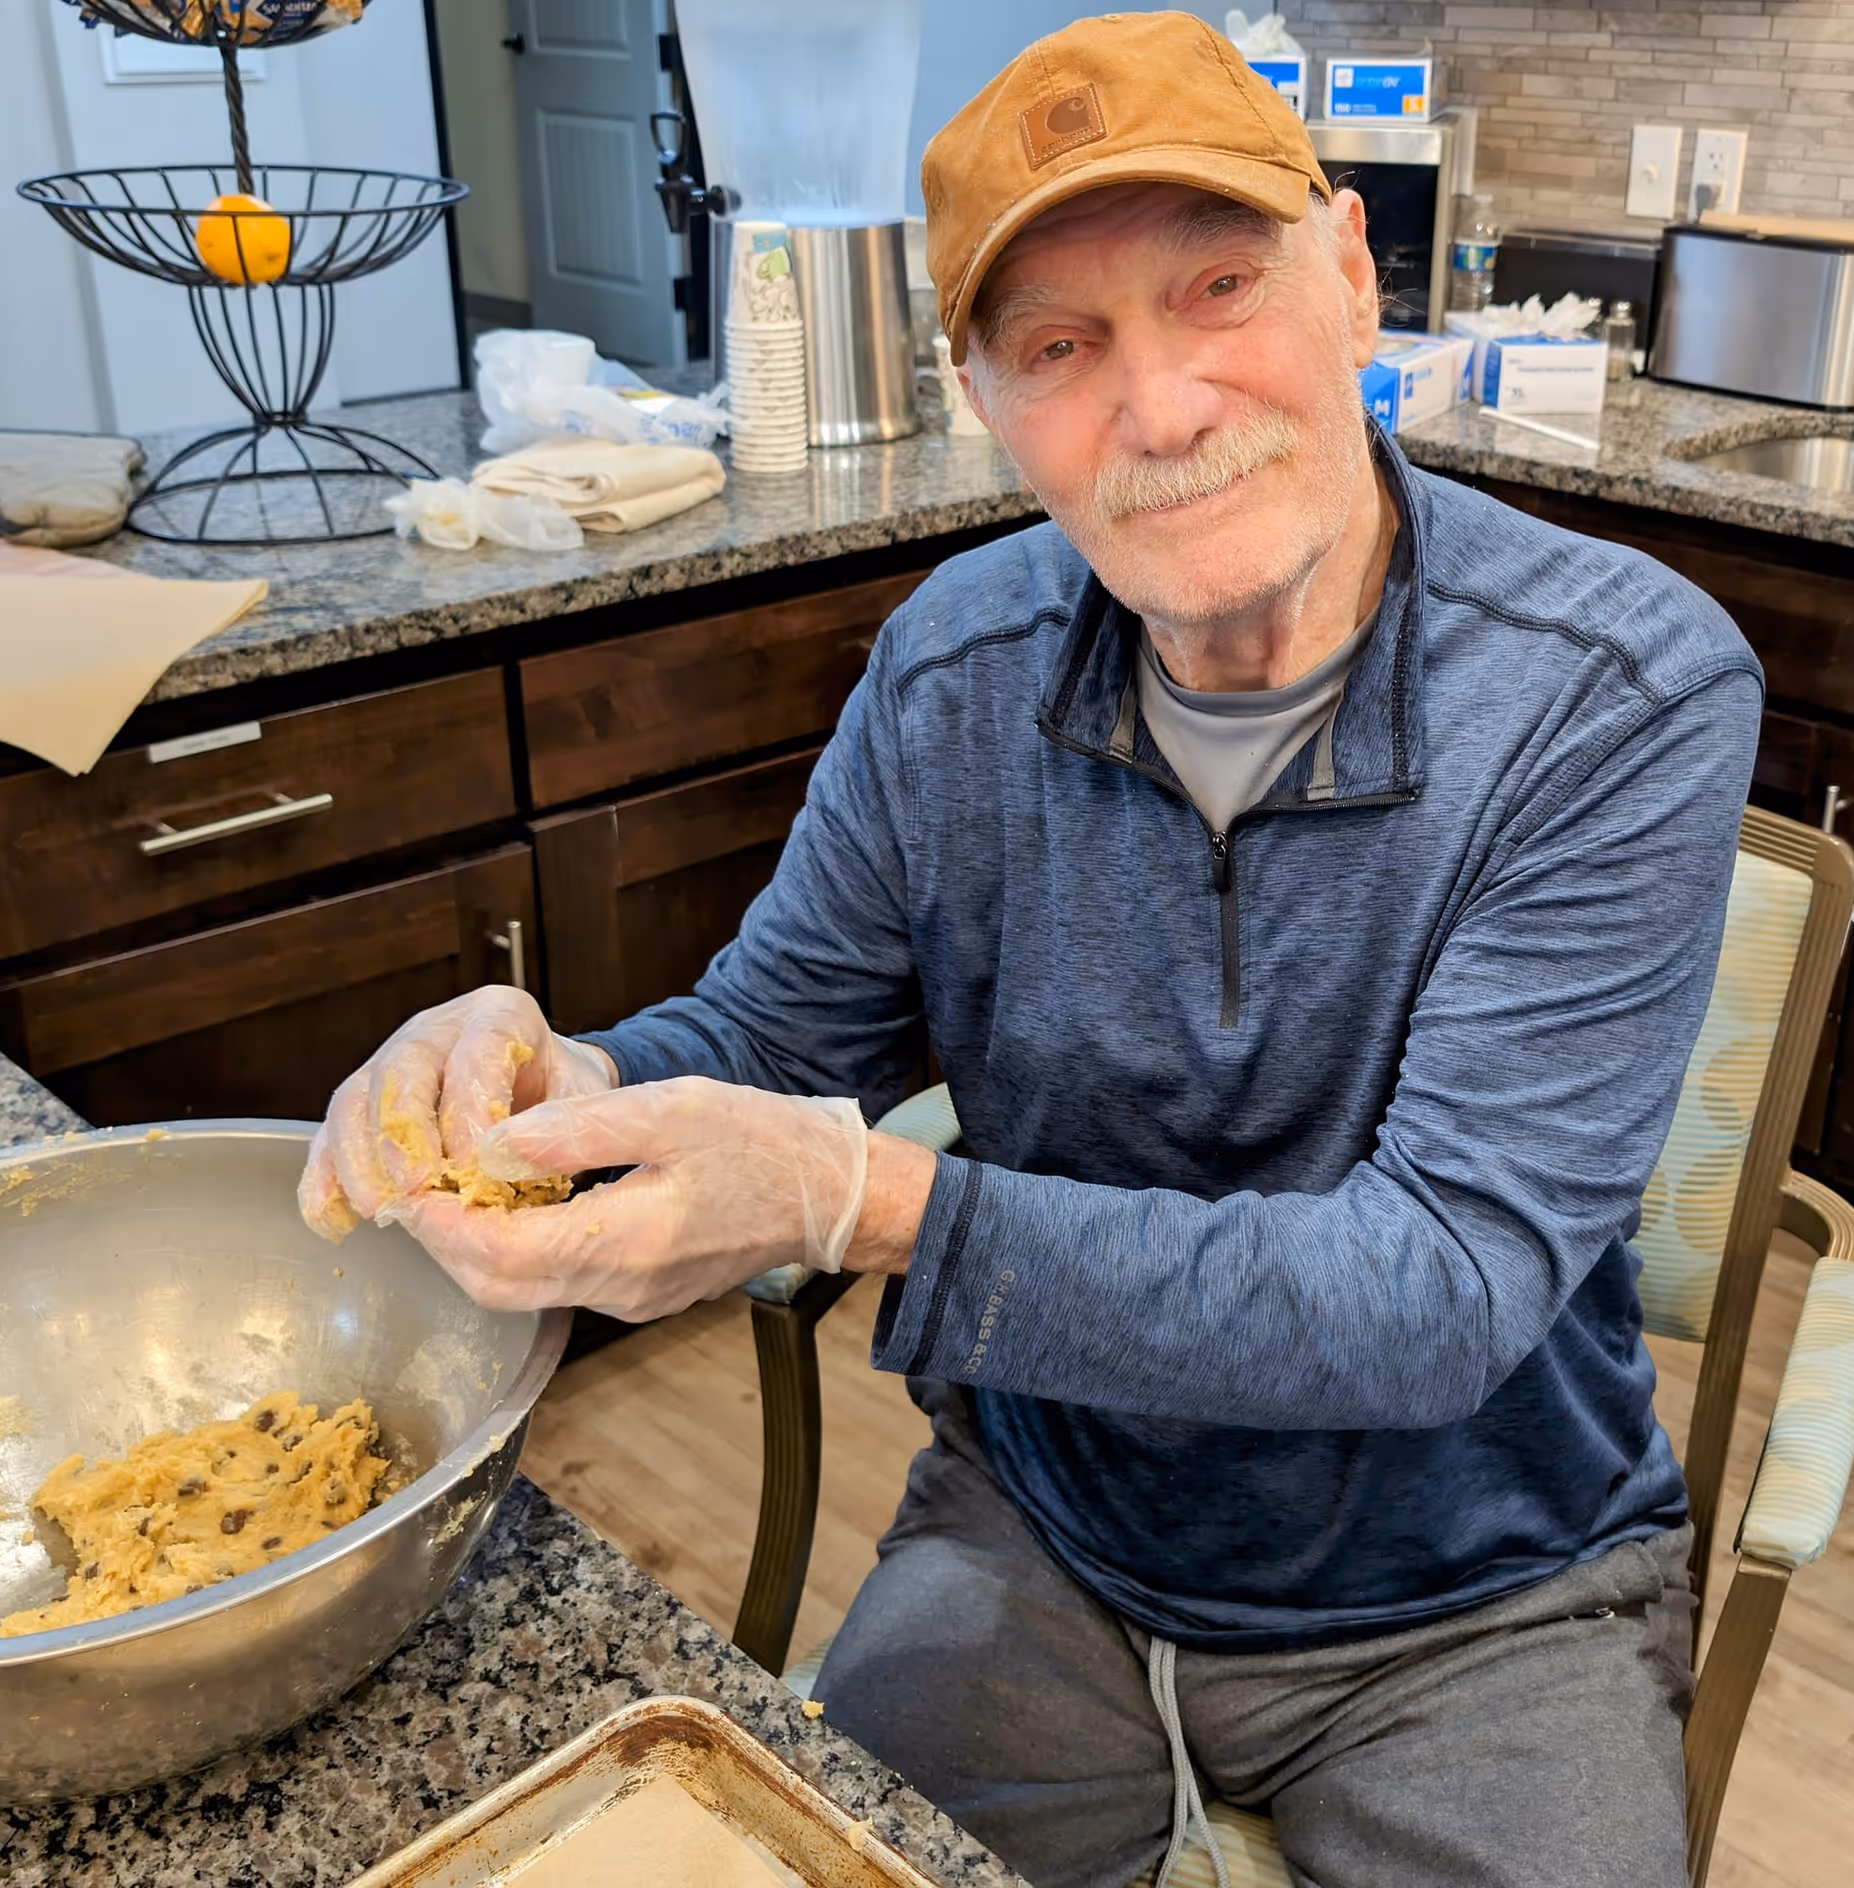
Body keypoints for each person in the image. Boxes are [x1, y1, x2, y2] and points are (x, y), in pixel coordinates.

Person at [301, 14, 1762, 1886]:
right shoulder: (954, 666)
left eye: (1217, 286)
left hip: (1481, 1593)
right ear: (985, 398)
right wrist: (558, 1083)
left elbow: (1440, 1289)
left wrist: (863, 1208)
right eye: (1061, 348)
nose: (1159, 411)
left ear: (1346, 276)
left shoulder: (1614, 690)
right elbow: (769, 1031)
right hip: (1051, 1532)